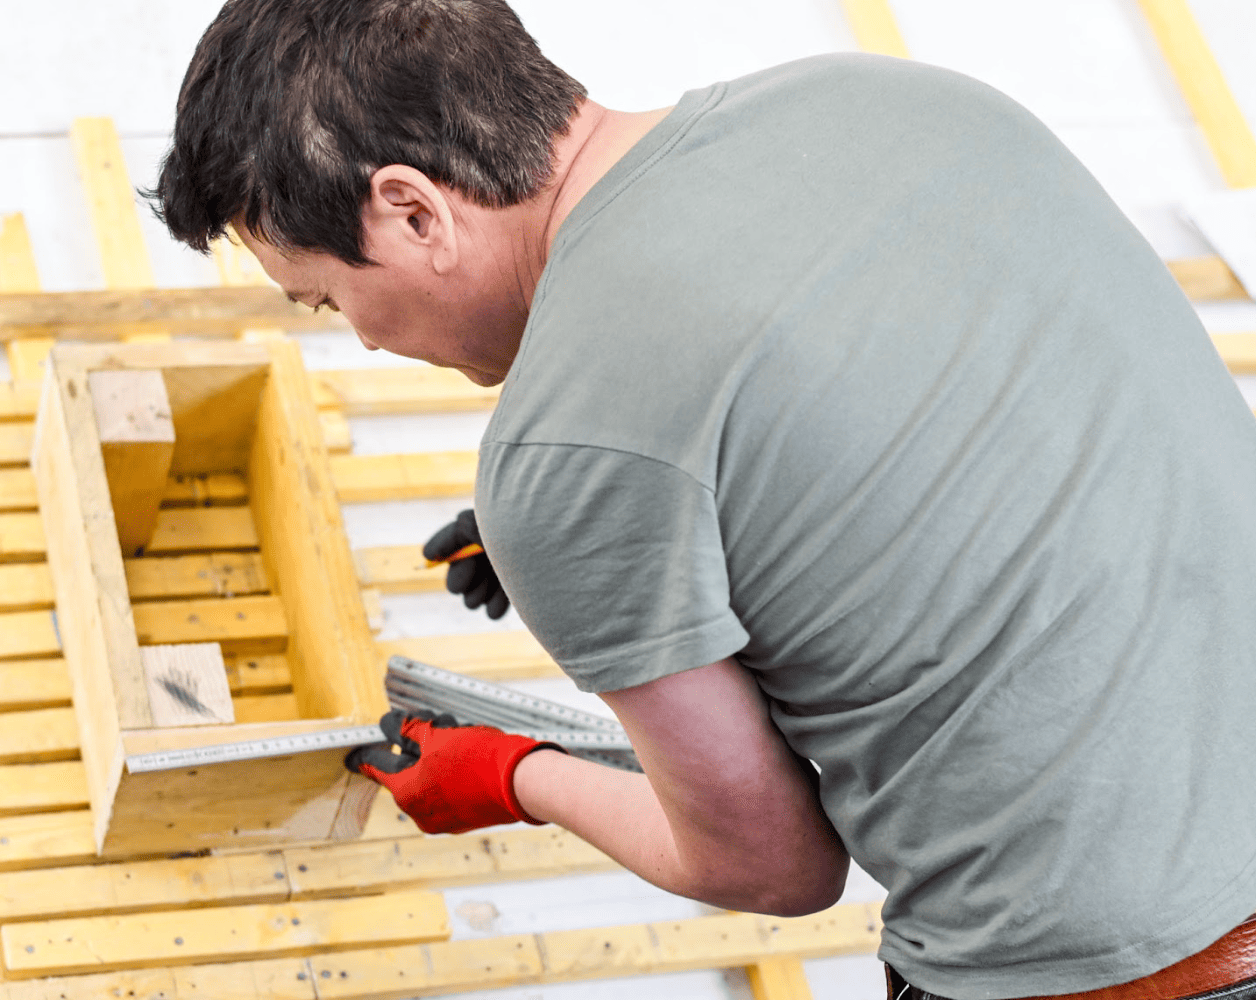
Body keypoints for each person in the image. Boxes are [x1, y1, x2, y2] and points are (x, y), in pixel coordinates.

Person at [148, 1, 1256, 997]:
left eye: (328, 296)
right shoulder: (886, 94)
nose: (365, 336)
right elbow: (916, 372)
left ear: (410, 211)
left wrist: (514, 774)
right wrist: (665, 507)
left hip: (1114, 968)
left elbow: (772, 867)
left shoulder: (564, 456)